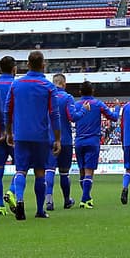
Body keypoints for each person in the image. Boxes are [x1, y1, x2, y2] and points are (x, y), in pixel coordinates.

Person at [3, 50, 62, 220]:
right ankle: (40, 210)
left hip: (21, 134)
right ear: (43, 65)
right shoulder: (48, 87)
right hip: (41, 135)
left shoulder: (16, 85)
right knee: (40, 172)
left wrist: (9, 132)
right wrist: (57, 138)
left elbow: (7, 110)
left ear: (27, 64)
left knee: (20, 170)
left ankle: (20, 200)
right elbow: (54, 114)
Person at [68, 80, 115, 208]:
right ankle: (84, 199)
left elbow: (71, 117)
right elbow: (113, 117)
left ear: (80, 92)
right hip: (92, 141)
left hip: (79, 141)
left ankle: (87, 197)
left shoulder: (76, 105)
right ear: (93, 91)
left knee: (82, 172)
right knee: (89, 172)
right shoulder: (98, 104)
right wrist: (117, 108)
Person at [0, 56, 17, 216]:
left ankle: (0, 206)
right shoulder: (17, 85)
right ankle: (12, 191)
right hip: (14, 134)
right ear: (14, 69)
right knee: (22, 168)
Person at [48, 73, 76, 210]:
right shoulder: (68, 97)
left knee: (49, 170)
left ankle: (49, 200)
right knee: (64, 172)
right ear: (64, 84)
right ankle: (66, 200)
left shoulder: (47, 97)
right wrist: (84, 110)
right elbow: (72, 116)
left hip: (49, 139)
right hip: (65, 140)